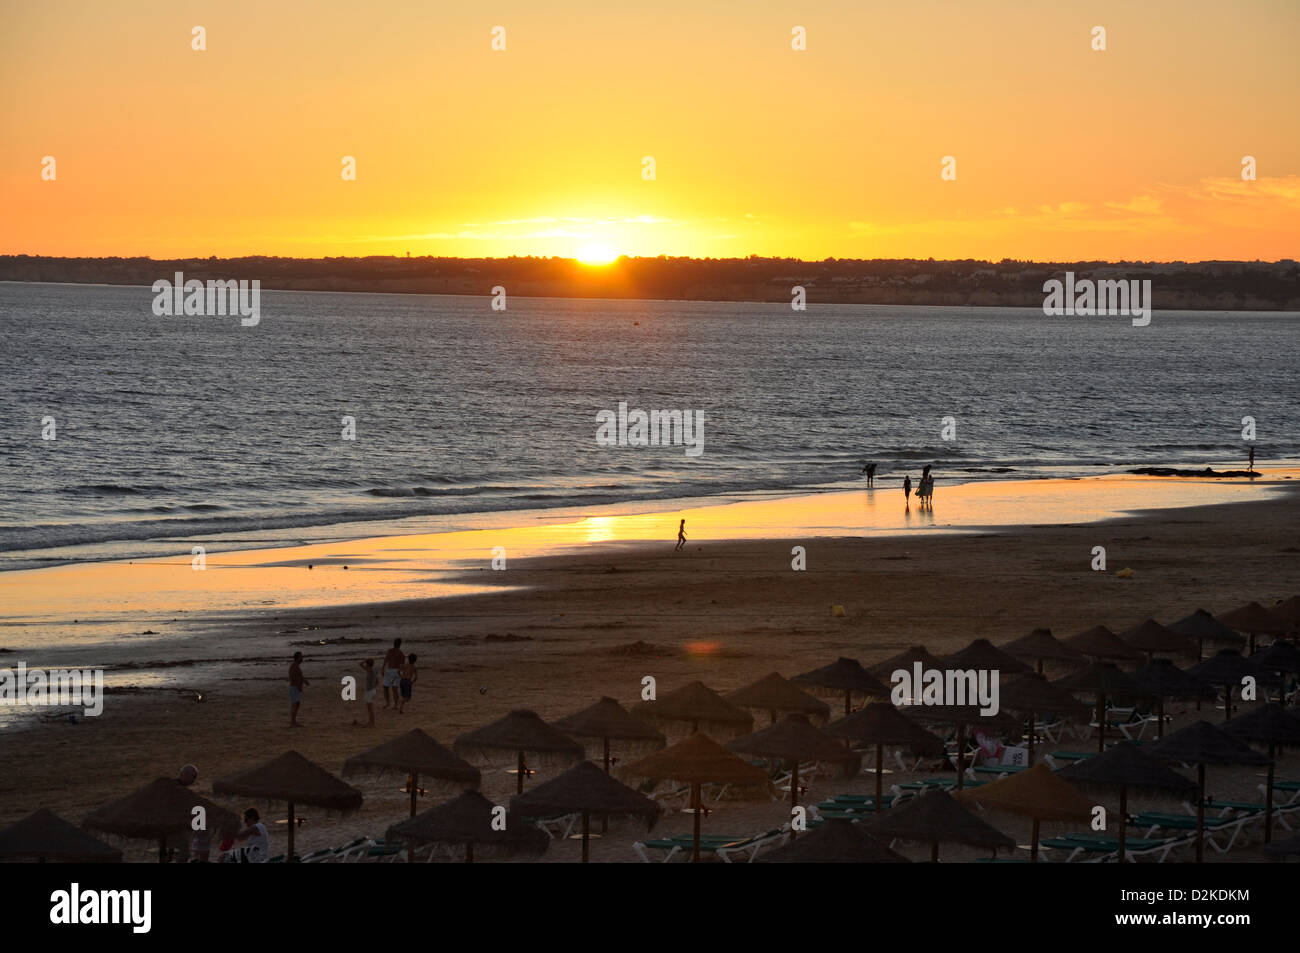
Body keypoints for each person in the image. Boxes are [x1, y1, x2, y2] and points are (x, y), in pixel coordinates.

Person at [382, 639, 404, 708]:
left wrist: (382, 668)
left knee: (386, 687)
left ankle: (388, 703)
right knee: (395, 689)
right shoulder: (401, 653)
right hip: (397, 671)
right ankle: (395, 704)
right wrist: (401, 673)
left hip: (390, 670)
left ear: (394, 643)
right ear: (400, 644)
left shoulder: (390, 651)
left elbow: (386, 660)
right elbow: (402, 665)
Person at [289, 651, 308, 728]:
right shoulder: (294, 666)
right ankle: (293, 722)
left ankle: (294, 721)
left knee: (297, 704)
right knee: (295, 705)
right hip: (294, 688)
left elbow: (299, 676)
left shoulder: (295, 666)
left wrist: (305, 681)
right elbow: (293, 677)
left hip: (295, 687)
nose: (302, 658)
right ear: (297, 658)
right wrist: (299, 686)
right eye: (301, 657)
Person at [360, 658, 377, 727]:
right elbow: (377, 681)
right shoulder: (373, 671)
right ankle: (370, 721)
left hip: (369, 691)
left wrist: (365, 660)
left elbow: (360, 664)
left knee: (370, 709)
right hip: (372, 690)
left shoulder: (369, 670)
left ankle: (372, 723)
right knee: (370, 708)